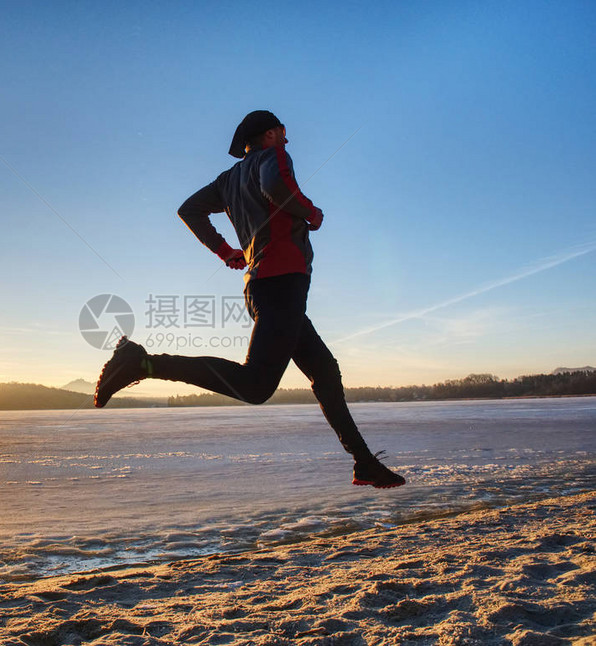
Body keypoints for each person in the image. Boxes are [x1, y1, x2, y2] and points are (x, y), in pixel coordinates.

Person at [94, 110, 405, 489]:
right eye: (284, 134)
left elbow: (188, 210)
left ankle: (364, 462)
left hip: (264, 285)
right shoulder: (271, 158)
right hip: (282, 283)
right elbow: (276, 187)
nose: (288, 142)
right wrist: (311, 213)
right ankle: (142, 363)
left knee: (324, 371)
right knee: (256, 385)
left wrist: (227, 252)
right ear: (270, 134)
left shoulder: (228, 179)